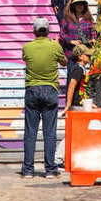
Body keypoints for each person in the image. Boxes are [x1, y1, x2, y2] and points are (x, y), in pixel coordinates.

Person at [21, 17, 66, 178]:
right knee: (50, 132)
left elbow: (26, 60)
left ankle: (27, 170)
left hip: (32, 90)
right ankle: (50, 169)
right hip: (50, 90)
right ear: (47, 31)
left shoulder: (27, 47)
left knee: (30, 132)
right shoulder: (55, 46)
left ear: (34, 31)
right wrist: (55, 45)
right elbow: (65, 62)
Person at [59, 0, 97, 95]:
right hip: (71, 54)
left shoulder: (88, 20)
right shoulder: (67, 19)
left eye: (82, 4)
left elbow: (93, 33)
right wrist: (71, 41)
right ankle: (70, 102)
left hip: (84, 54)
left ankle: (81, 99)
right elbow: (62, 35)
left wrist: (93, 40)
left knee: (83, 77)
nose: (80, 6)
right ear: (73, 6)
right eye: (77, 4)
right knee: (72, 77)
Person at [65, 44, 92, 109]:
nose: (90, 57)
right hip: (76, 105)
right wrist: (68, 104)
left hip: (81, 103)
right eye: (87, 55)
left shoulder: (82, 68)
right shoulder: (78, 69)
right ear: (80, 56)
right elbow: (71, 87)